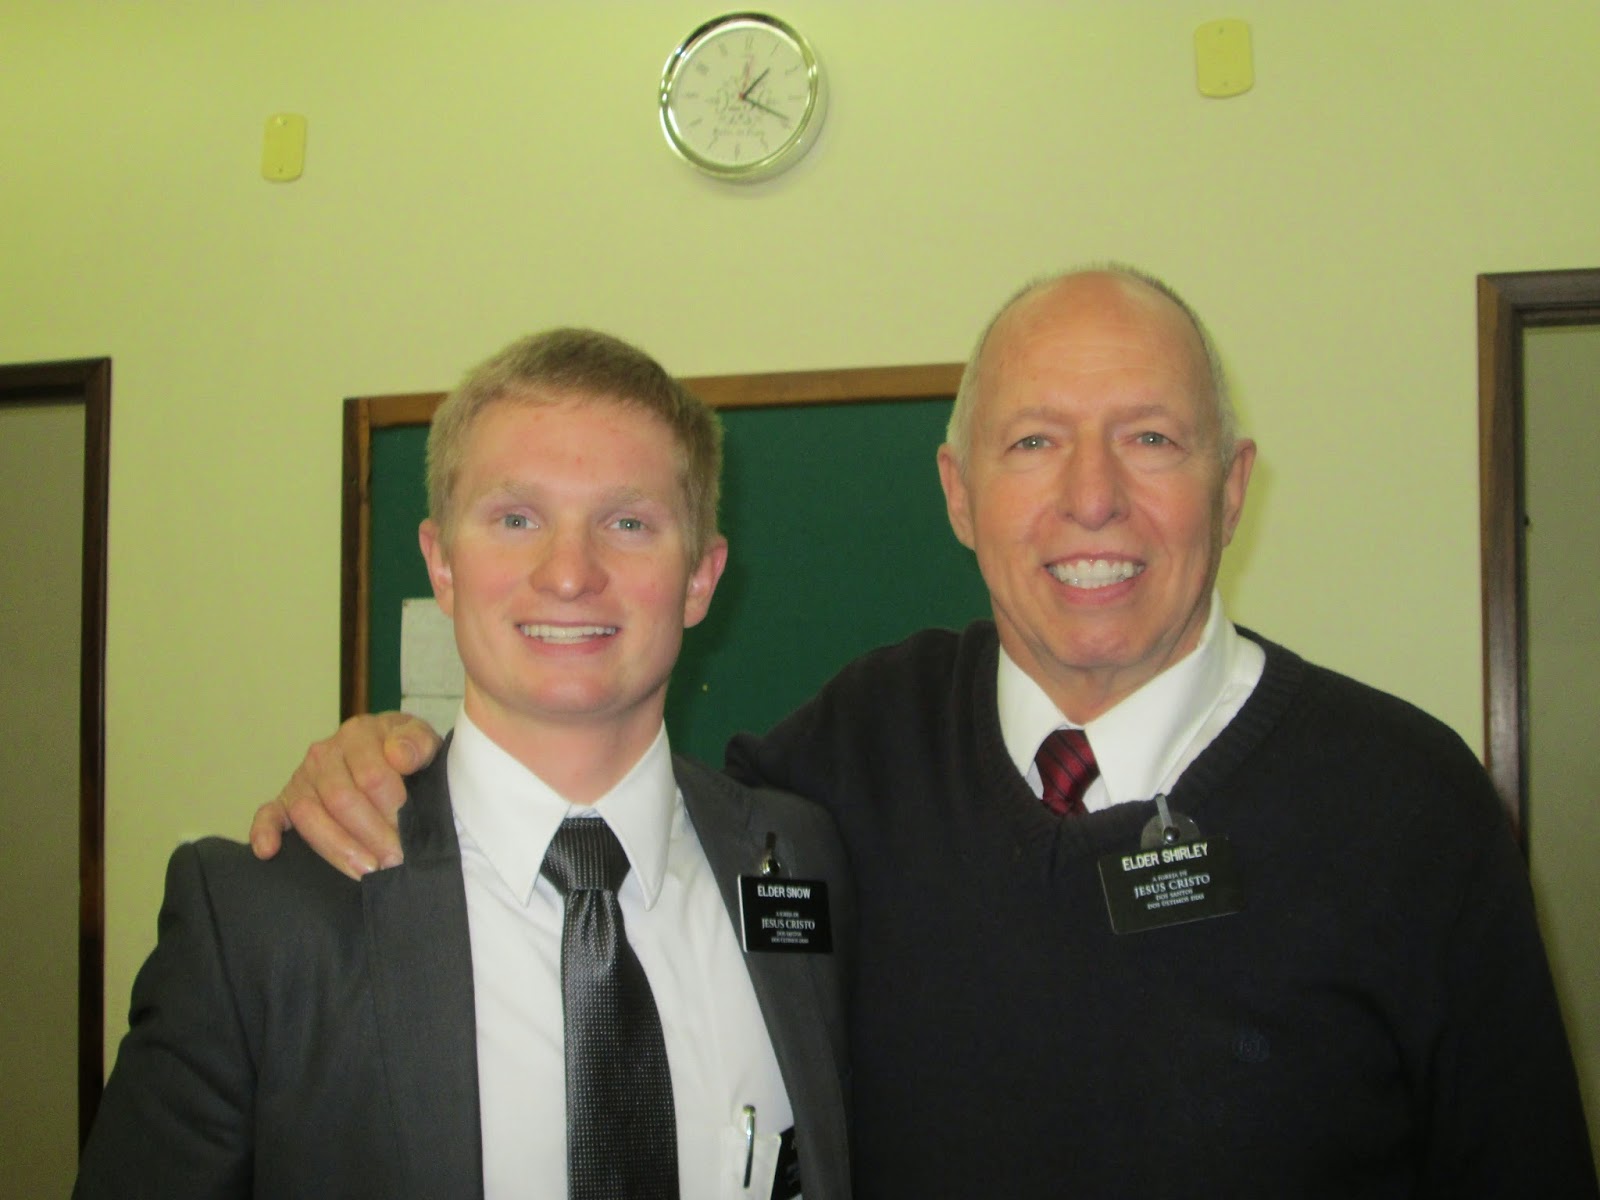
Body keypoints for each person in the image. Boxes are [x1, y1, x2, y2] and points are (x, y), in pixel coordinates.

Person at [251, 268, 1598, 1197]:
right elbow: (614, 807)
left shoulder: (1410, 806)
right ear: (957, 493)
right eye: (1032, 444)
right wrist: (393, 759)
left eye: (1149, 439)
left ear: (1232, 486)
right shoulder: (846, 759)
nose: (1091, 500)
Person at [79, 329, 855, 1199]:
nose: (570, 574)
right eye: (516, 519)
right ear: (442, 565)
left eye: (628, 523)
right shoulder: (260, 924)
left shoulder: (804, 862)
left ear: (701, 579)